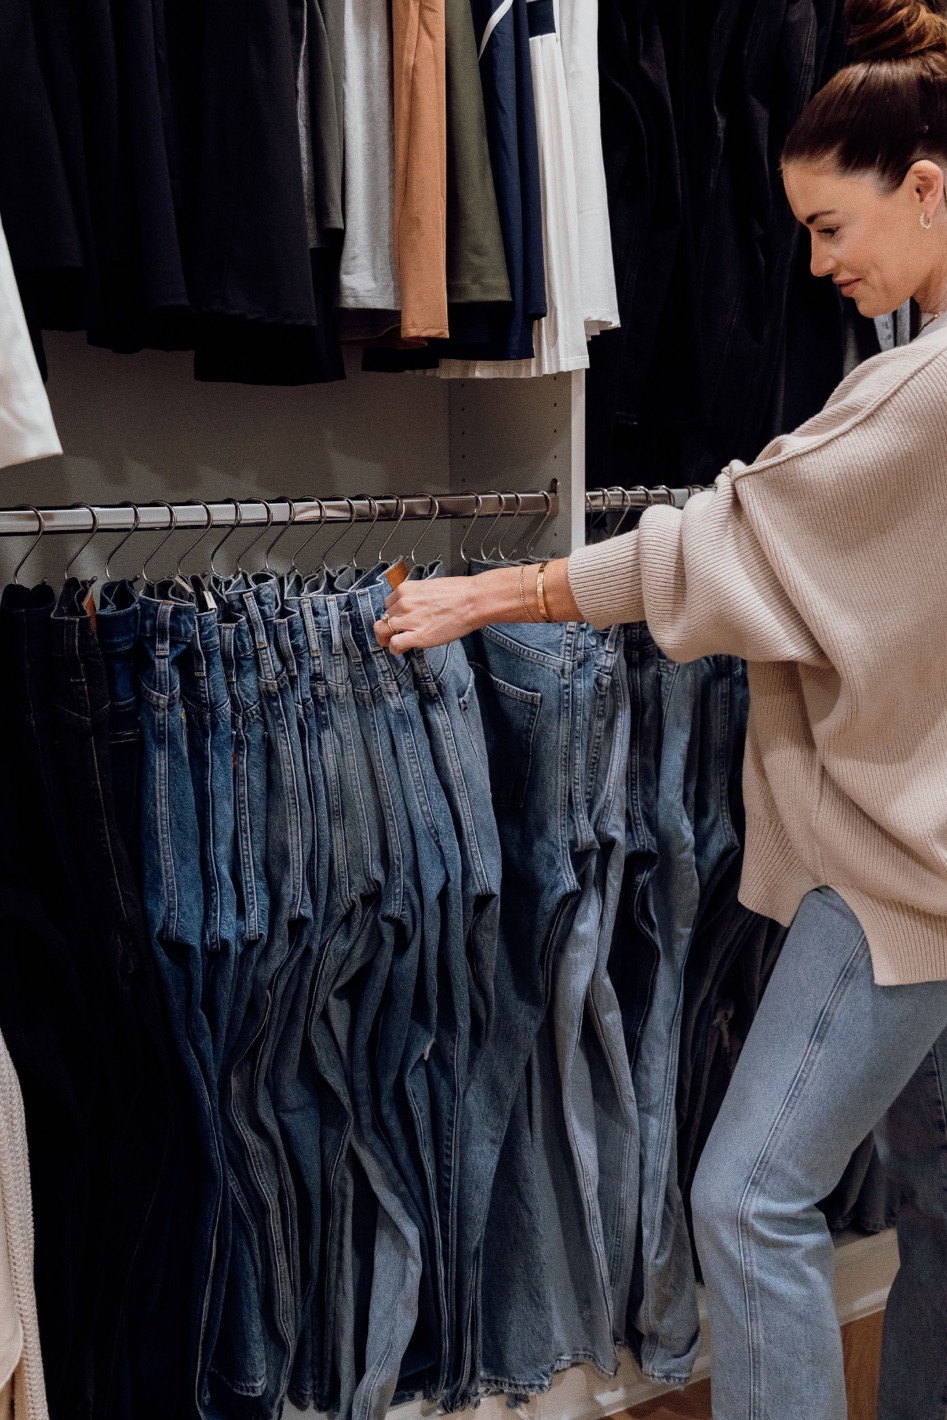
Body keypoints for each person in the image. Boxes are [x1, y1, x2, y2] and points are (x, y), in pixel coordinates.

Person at [374, 0, 947, 1415]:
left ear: (927, 188)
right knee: (936, 1195)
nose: (817, 263)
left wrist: (482, 596)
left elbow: (717, 541)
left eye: (830, 226)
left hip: (900, 879)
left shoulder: (918, 393)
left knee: (747, 1195)